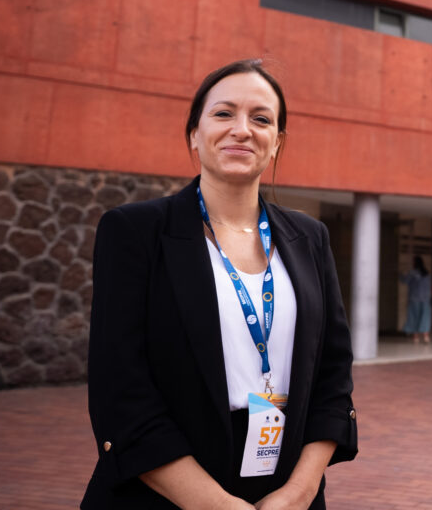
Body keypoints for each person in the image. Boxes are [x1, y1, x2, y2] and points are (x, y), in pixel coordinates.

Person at [82, 59, 358, 509]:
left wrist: (299, 493)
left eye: (261, 119)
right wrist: (214, 504)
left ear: (277, 143)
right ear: (194, 133)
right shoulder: (135, 232)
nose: (242, 130)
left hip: (285, 489)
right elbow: (120, 388)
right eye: (224, 114)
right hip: (164, 487)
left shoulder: (309, 238)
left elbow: (334, 376)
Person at [400, 255, 432, 344]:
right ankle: (426, 337)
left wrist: (401, 274)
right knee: (425, 317)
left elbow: (404, 280)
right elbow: (429, 287)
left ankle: (416, 337)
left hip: (414, 298)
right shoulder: (427, 273)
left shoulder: (412, 273)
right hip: (425, 299)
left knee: (414, 317)